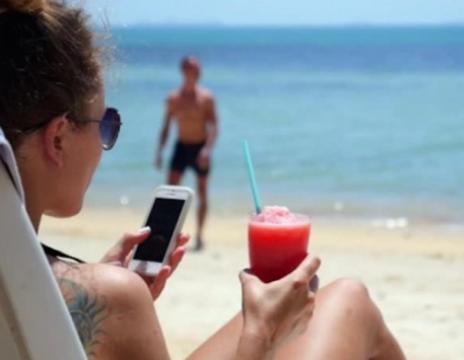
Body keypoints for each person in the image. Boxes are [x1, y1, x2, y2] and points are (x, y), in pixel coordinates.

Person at [0, 1, 405, 359]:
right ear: (57, 138)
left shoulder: (55, 284)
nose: (108, 140)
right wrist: (259, 331)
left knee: (347, 296)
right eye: (106, 124)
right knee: (351, 298)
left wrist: (101, 282)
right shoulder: (111, 296)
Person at [156, 56, 217, 251]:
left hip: (200, 148)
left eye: (197, 69)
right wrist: (159, 151)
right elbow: (166, 127)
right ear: (184, 71)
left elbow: (214, 126)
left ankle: (199, 235)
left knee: (202, 193)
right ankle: (168, 233)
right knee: (171, 193)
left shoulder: (206, 98)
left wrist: (207, 150)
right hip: (181, 147)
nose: (195, 72)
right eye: (192, 68)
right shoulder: (173, 98)